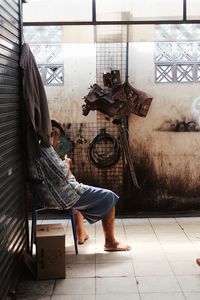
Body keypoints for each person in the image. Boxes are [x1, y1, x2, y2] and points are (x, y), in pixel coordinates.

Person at [29, 126, 131, 252]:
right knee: (109, 196)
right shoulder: (46, 149)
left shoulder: (32, 151)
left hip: (44, 196)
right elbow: (62, 173)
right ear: (50, 135)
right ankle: (110, 242)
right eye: (56, 136)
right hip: (62, 196)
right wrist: (67, 163)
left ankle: (80, 234)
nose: (58, 140)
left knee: (78, 188)